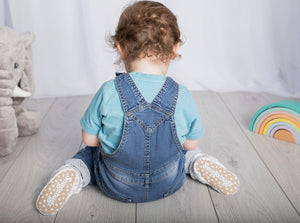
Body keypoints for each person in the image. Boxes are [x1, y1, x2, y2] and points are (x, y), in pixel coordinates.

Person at [36, 1, 239, 216]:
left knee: (89, 153)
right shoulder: (182, 94)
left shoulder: (108, 91)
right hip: (169, 183)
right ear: (175, 49)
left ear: (120, 49)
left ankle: (74, 172)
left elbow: (89, 140)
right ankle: (197, 162)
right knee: (184, 150)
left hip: (115, 185)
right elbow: (191, 142)